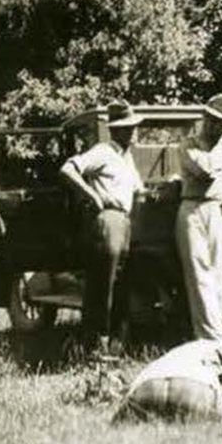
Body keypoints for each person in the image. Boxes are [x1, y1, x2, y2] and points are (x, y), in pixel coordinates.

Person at [60, 100, 144, 358]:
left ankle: (115, 347)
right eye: (127, 128)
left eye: (133, 127)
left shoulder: (126, 158)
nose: (133, 132)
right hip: (107, 221)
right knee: (101, 285)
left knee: (120, 286)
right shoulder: (103, 152)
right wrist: (92, 196)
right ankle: (94, 348)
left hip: (124, 223)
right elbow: (68, 169)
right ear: (115, 130)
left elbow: (138, 190)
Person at [176, 95, 222, 342]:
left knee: (219, 278)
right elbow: (206, 171)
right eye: (212, 121)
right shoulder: (189, 145)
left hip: (217, 211)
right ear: (204, 118)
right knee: (200, 277)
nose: (216, 127)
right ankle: (213, 340)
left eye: (221, 123)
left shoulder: (221, 147)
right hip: (193, 211)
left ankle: (213, 335)